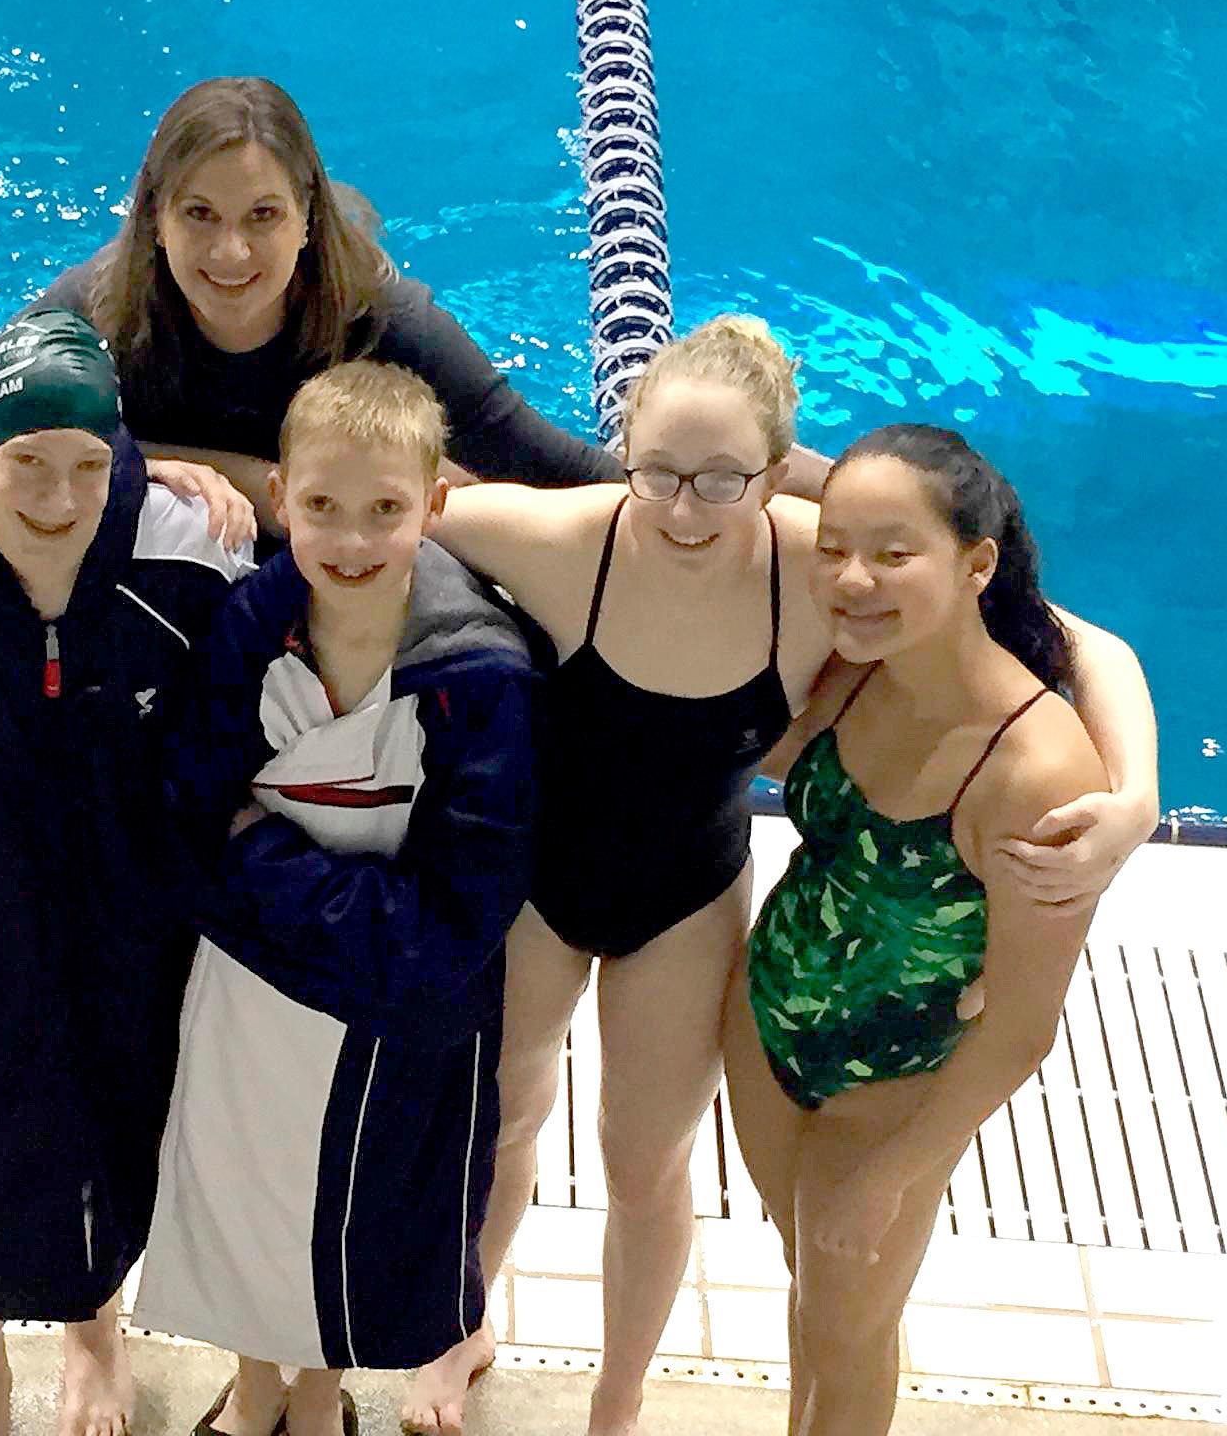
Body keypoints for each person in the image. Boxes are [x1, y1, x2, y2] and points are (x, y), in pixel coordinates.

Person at [410, 318, 1159, 1436]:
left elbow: (1072, 638)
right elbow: (381, 507)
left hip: (685, 901)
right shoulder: (563, 535)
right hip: (540, 883)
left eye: (721, 480)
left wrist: (1136, 796)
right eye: (657, 472)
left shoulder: (822, 575)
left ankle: (614, 1409)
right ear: (622, 452)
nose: (680, 509)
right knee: (505, 1118)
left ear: (771, 476)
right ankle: (457, 1333)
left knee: (643, 1161)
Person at [0, 310, 249, 1436]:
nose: (58, 498)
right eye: (26, 464)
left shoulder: (187, 554)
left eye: (84, 464)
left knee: (118, 1142)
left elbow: (248, 746)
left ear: (119, 451)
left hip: (141, 939)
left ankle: (95, 1338)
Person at [0, 76, 822, 526]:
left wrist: (795, 495)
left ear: (300, 221)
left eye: (260, 216)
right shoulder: (94, 314)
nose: (228, 251)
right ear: (150, 219)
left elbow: (566, 473)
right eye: (196, 214)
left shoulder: (381, 318)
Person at [133, 362, 536, 1436]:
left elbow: (454, 925)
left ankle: (315, 1400)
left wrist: (260, 861)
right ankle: (253, 1386)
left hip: (388, 1023)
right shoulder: (242, 630)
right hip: (249, 999)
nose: (350, 540)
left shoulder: (478, 676)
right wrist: (335, 904)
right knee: (243, 1191)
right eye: (320, 508)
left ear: (435, 507)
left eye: (384, 512)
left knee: (352, 1226)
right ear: (278, 498)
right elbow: (179, 823)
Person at [722, 423, 1115, 1436]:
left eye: (892, 553)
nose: (851, 578)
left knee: (850, 1336)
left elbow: (1024, 1025)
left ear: (976, 563)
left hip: (890, 1090)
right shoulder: (862, 661)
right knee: (814, 1296)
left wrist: (891, 1175)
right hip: (764, 1033)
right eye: (834, 548)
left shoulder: (1034, 773)